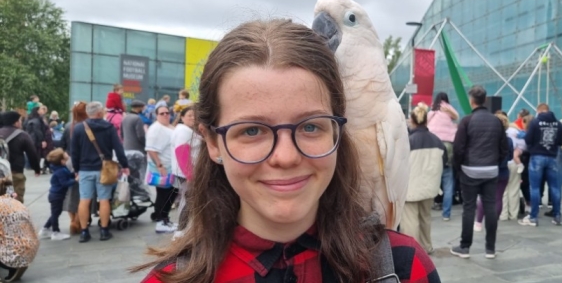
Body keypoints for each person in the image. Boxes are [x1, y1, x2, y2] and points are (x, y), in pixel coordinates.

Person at [135, 19, 439, 283]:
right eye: (251, 130)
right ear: (212, 143)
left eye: (310, 127)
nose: (286, 157)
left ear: (337, 132)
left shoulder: (404, 268)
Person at [450, 85, 509, 260]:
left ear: (472, 100)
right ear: (485, 100)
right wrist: (495, 162)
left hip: (470, 170)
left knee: (469, 207)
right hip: (490, 170)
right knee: (490, 207)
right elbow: (504, 148)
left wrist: (458, 167)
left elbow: (458, 148)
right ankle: (490, 249)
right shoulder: (496, 121)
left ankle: (465, 247)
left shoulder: (467, 121)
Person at [71, 101, 129, 243]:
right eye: (103, 110)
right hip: (104, 170)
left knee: (84, 200)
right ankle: (104, 231)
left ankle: (84, 232)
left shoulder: (79, 128)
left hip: (85, 169)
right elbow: (118, 148)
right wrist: (125, 165)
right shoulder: (108, 127)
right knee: (104, 200)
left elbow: (74, 152)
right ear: (98, 113)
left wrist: (76, 169)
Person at [401, 103, 446, 254]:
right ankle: (427, 246)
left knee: (410, 221)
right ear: (426, 120)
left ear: (412, 121)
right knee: (426, 218)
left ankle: (413, 251)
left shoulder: (408, 141)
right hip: (430, 187)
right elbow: (443, 161)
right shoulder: (437, 141)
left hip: (411, 188)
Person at [519, 103, 562, 226]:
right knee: (555, 187)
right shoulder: (558, 124)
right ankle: (557, 215)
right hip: (552, 157)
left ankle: (533, 217)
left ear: (539, 111)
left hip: (537, 156)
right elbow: (561, 141)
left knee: (535, 187)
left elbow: (528, 140)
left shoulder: (535, 122)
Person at [475, 113, 513, 230]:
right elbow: (510, 157)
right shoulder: (509, 140)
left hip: (488, 171)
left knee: (484, 197)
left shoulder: (487, 139)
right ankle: (492, 224)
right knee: (498, 198)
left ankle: (478, 223)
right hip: (503, 172)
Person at [146, 105, 178, 234]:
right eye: (162, 113)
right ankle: (161, 221)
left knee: (170, 193)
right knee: (164, 194)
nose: (165, 115)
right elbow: (151, 149)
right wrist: (160, 166)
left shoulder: (168, 126)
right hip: (163, 168)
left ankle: (165, 219)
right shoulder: (156, 129)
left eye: (167, 112)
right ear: (156, 115)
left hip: (171, 166)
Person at [426, 92, 458, 221]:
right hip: (448, 147)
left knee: (430, 180)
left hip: (434, 146)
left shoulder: (431, 113)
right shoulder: (449, 112)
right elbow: (457, 116)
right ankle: (446, 214)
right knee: (448, 183)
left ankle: (427, 210)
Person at [59, 101, 88, 235]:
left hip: (69, 163)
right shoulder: (87, 127)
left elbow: (62, 146)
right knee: (84, 195)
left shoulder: (68, 126)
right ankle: (78, 221)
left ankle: (72, 221)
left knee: (70, 194)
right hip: (85, 163)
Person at [171, 106, 200, 236]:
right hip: (188, 174)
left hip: (187, 172)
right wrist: (190, 174)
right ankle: (181, 231)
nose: (193, 117)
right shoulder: (183, 131)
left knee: (188, 200)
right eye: (190, 115)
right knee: (188, 201)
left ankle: (184, 230)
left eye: (195, 115)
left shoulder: (187, 130)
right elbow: (181, 153)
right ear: (182, 117)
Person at [0, 111, 41, 203]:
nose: (21, 122)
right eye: (20, 120)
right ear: (15, 122)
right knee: (16, 201)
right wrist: (36, 169)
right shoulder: (22, 135)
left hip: (1, 172)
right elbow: (32, 153)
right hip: (15, 172)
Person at [37, 148, 76, 241]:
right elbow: (65, 183)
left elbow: (67, 175)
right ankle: (55, 232)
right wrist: (75, 180)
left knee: (56, 213)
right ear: (62, 161)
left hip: (56, 195)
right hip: (57, 195)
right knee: (55, 214)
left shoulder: (60, 168)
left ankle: (45, 229)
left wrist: (73, 175)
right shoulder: (61, 171)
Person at [501, 114, 526, 221]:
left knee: (502, 190)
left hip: (501, 164)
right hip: (514, 163)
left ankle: (503, 214)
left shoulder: (494, 135)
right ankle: (514, 214)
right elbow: (523, 146)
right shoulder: (515, 131)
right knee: (514, 190)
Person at [25, 106, 51, 174]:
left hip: (32, 139)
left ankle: (38, 167)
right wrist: (42, 140)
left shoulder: (30, 120)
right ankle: (39, 168)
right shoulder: (37, 121)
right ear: (37, 111)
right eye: (40, 109)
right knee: (39, 154)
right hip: (37, 140)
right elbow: (38, 131)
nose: (42, 111)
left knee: (37, 154)